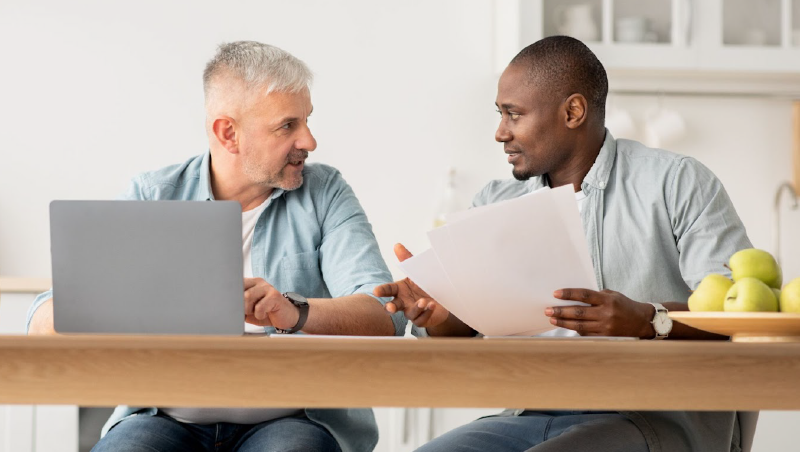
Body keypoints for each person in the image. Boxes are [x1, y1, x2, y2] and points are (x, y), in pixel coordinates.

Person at [375, 35, 752, 452]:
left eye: (513, 115)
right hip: (530, 414)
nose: (501, 132)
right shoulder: (495, 203)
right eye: (500, 115)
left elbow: (740, 319)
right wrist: (440, 314)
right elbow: (467, 329)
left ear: (573, 111)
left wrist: (646, 320)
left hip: (651, 417)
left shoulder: (676, 182)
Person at [27, 41, 406, 452]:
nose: (309, 141)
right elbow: (45, 320)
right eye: (287, 126)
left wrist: (293, 312)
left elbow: (384, 313)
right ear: (229, 133)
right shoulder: (154, 194)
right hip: (164, 417)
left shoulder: (325, 192)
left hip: (294, 418)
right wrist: (125, 301)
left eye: (307, 121)